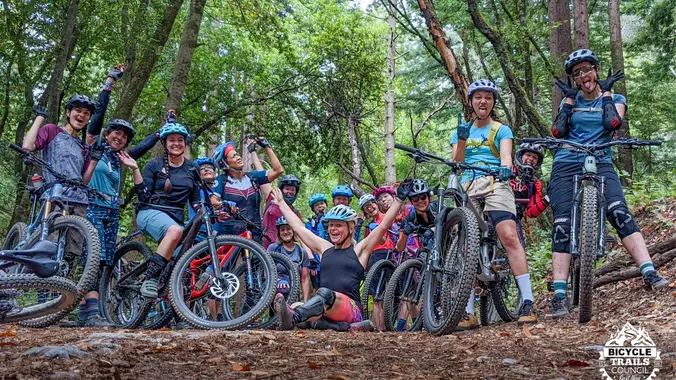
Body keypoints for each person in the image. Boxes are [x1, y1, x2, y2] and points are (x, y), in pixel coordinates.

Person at [548, 49, 669, 317]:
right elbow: (558, 132)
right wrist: (568, 99)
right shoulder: (571, 99)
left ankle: (648, 271)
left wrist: (604, 94)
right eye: (577, 73)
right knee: (563, 223)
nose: (583, 76)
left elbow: (612, 122)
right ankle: (558, 294)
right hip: (567, 162)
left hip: (600, 160)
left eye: (587, 69)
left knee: (619, 212)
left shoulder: (615, 98)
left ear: (597, 70)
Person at [450, 79, 537, 327]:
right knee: (466, 245)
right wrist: (463, 139)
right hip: (468, 186)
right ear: (471, 101)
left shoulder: (501, 129)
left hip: (496, 182)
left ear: (493, 102)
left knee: (508, 235)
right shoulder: (461, 130)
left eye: (488, 97)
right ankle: (467, 311)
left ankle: (527, 301)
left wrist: (506, 169)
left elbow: (507, 156)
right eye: (478, 97)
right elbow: (456, 162)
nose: (483, 101)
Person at [271, 182, 409, 332]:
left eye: (338, 225)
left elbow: (383, 226)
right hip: (326, 309)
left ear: (351, 228)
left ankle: (296, 319)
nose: (333, 229)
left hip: (351, 309)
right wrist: (281, 203)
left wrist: (399, 198)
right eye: (331, 225)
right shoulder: (324, 249)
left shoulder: (359, 250)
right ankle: (336, 326)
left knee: (322, 294)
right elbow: (299, 227)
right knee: (297, 305)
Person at [136, 123, 201, 298]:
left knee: (179, 264)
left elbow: (195, 201)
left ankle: (175, 314)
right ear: (164, 143)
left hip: (176, 219)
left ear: (186, 143)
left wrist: (213, 208)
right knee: (175, 231)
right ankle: (150, 278)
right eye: (172, 140)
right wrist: (135, 171)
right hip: (150, 212)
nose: (176, 143)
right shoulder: (154, 165)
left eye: (180, 140)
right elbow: (143, 196)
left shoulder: (192, 168)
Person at [210, 138, 284, 244]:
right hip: (230, 233)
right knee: (231, 260)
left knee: (257, 260)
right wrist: (224, 204)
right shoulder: (221, 181)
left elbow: (278, 170)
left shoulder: (253, 177)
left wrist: (266, 146)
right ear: (224, 164)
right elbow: (213, 201)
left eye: (237, 154)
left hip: (254, 231)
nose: (239, 157)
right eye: (234, 156)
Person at [359, 193, 398, 331]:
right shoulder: (368, 226)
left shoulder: (388, 218)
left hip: (391, 254)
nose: (370, 208)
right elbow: (365, 245)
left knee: (393, 292)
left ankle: (395, 325)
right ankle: (379, 328)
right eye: (366, 208)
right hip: (375, 256)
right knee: (376, 295)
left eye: (371, 204)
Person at [511, 143, 549, 248]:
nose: (531, 159)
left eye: (535, 157)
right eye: (528, 155)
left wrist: (547, 200)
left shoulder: (534, 183)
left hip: (514, 218)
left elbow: (531, 212)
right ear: (520, 156)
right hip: (495, 212)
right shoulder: (506, 171)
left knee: (519, 248)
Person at [268, 217, 312, 302]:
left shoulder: (301, 252)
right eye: (282, 230)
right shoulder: (273, 248)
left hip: (294, 291)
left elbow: (305, 279)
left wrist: (306, 302)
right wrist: (278, 280)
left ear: (293, 231)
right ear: (279, 233)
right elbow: (267, 274)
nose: (285, 232)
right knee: (283, 289)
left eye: (288, 229)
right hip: (276, 290)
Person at [262, 175, 302, 249]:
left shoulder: (296, 213)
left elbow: (301, 235)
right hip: (263, 246)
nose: (290, 192)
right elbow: (263, 180)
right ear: (281, 190)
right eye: (287, 189)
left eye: (292, 190)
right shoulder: (272, 198)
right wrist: (257, 162)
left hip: (284, 251)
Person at [305, 193, 328, 291]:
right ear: (313, 209)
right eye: (316, 205)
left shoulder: (332, 220)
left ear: (326, 205)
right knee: (317, 288)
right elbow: (306, 241)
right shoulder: (310, 224)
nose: (320, 206)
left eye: (322, 203)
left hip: (330, 259)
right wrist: (311, 261)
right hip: (316, 262)